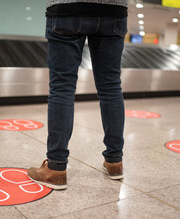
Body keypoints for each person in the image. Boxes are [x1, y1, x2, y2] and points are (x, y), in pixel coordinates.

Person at [28, 0, 128, 190]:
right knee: (111, 87)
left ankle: (56, 167)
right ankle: (115, 161)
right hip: (114, 10)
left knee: (62, 87)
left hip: (68, 8)